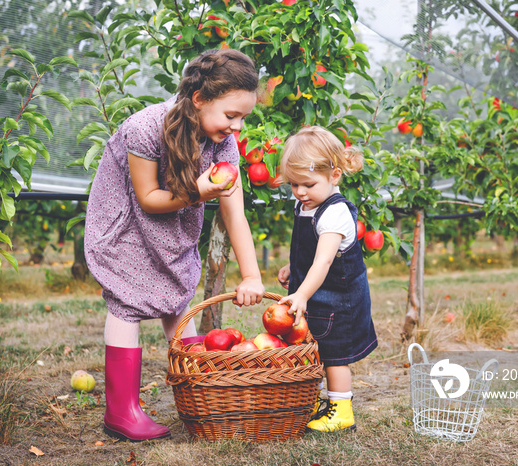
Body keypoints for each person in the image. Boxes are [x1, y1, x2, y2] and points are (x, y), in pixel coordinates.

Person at [84, 49, 265, 442]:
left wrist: (251, 274)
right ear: (199, 98)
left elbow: (235, 214)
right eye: (230, 115)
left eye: (243, 118)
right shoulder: (146, 127)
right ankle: (121, 410)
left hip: (172, 229)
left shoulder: (222, 145)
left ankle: (196, 390)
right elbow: (148, 198)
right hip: (125, 225)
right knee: (126, 304)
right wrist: (198, 191)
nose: (236, 127)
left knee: (177, 294)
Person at [277, 126, 378, 433]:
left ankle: (341, 409)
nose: (300, 192)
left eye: (307, 184)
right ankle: (320, 401)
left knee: (335, 354)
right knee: (314, 348)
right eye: (293, 184)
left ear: (334, 176)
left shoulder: (334, 213)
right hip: (319, 292)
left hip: (339, 298)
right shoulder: (306, 204)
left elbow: (323, 261)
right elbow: (309, 252)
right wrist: (292, 268)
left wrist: (302, 293)